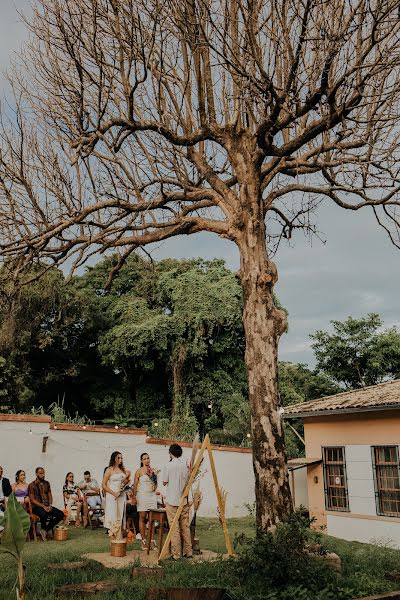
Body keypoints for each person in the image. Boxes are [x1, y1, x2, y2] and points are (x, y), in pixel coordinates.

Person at [162, 444, 193, 560]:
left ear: (170, 453)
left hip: (172, 499)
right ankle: (188, 552)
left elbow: (164, 482)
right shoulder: (185, 466)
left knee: (174, 527)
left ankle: (176, 554)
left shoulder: (168, 465)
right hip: (183, 499)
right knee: (185, 526)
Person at [28, 467, 64, 540]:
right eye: (41, 473)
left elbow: (49, 495)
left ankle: (45, 530)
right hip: (36, 507)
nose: (43, 475)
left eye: (43, 473)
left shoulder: (47, 483)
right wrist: (43, 506)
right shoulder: (32, 485)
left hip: (47, 506)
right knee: (44, 513)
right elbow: (32, 499)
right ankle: (44, 530)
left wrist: (50, 505)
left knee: (60, 514)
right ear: (36, 474)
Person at [132, 453, 158, 549]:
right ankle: (143, 541)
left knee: (152, 518)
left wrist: (152, 476)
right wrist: (134, 497)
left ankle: (152, 541)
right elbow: (135, 486)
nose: (147, 460)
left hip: (151, 495)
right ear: (141, 461)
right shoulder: (138, 471)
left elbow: (155, 486)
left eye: (148, 458)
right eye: (144, 459)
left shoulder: (153, 471)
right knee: (142, 517)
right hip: (142, 495)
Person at [102, 451, 130, 539]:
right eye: (118, 458)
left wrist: (125, 485)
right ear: (114, 458)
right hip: (112, 495)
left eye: (121, 458)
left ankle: (119, 537)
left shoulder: (122, 470)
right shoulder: (109, 470)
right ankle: (113, 539)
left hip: (121, 496)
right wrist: (114, 493)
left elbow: (125, 482)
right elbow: (103, 485)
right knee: (113, 516)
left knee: (120, 516)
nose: (120, 460)